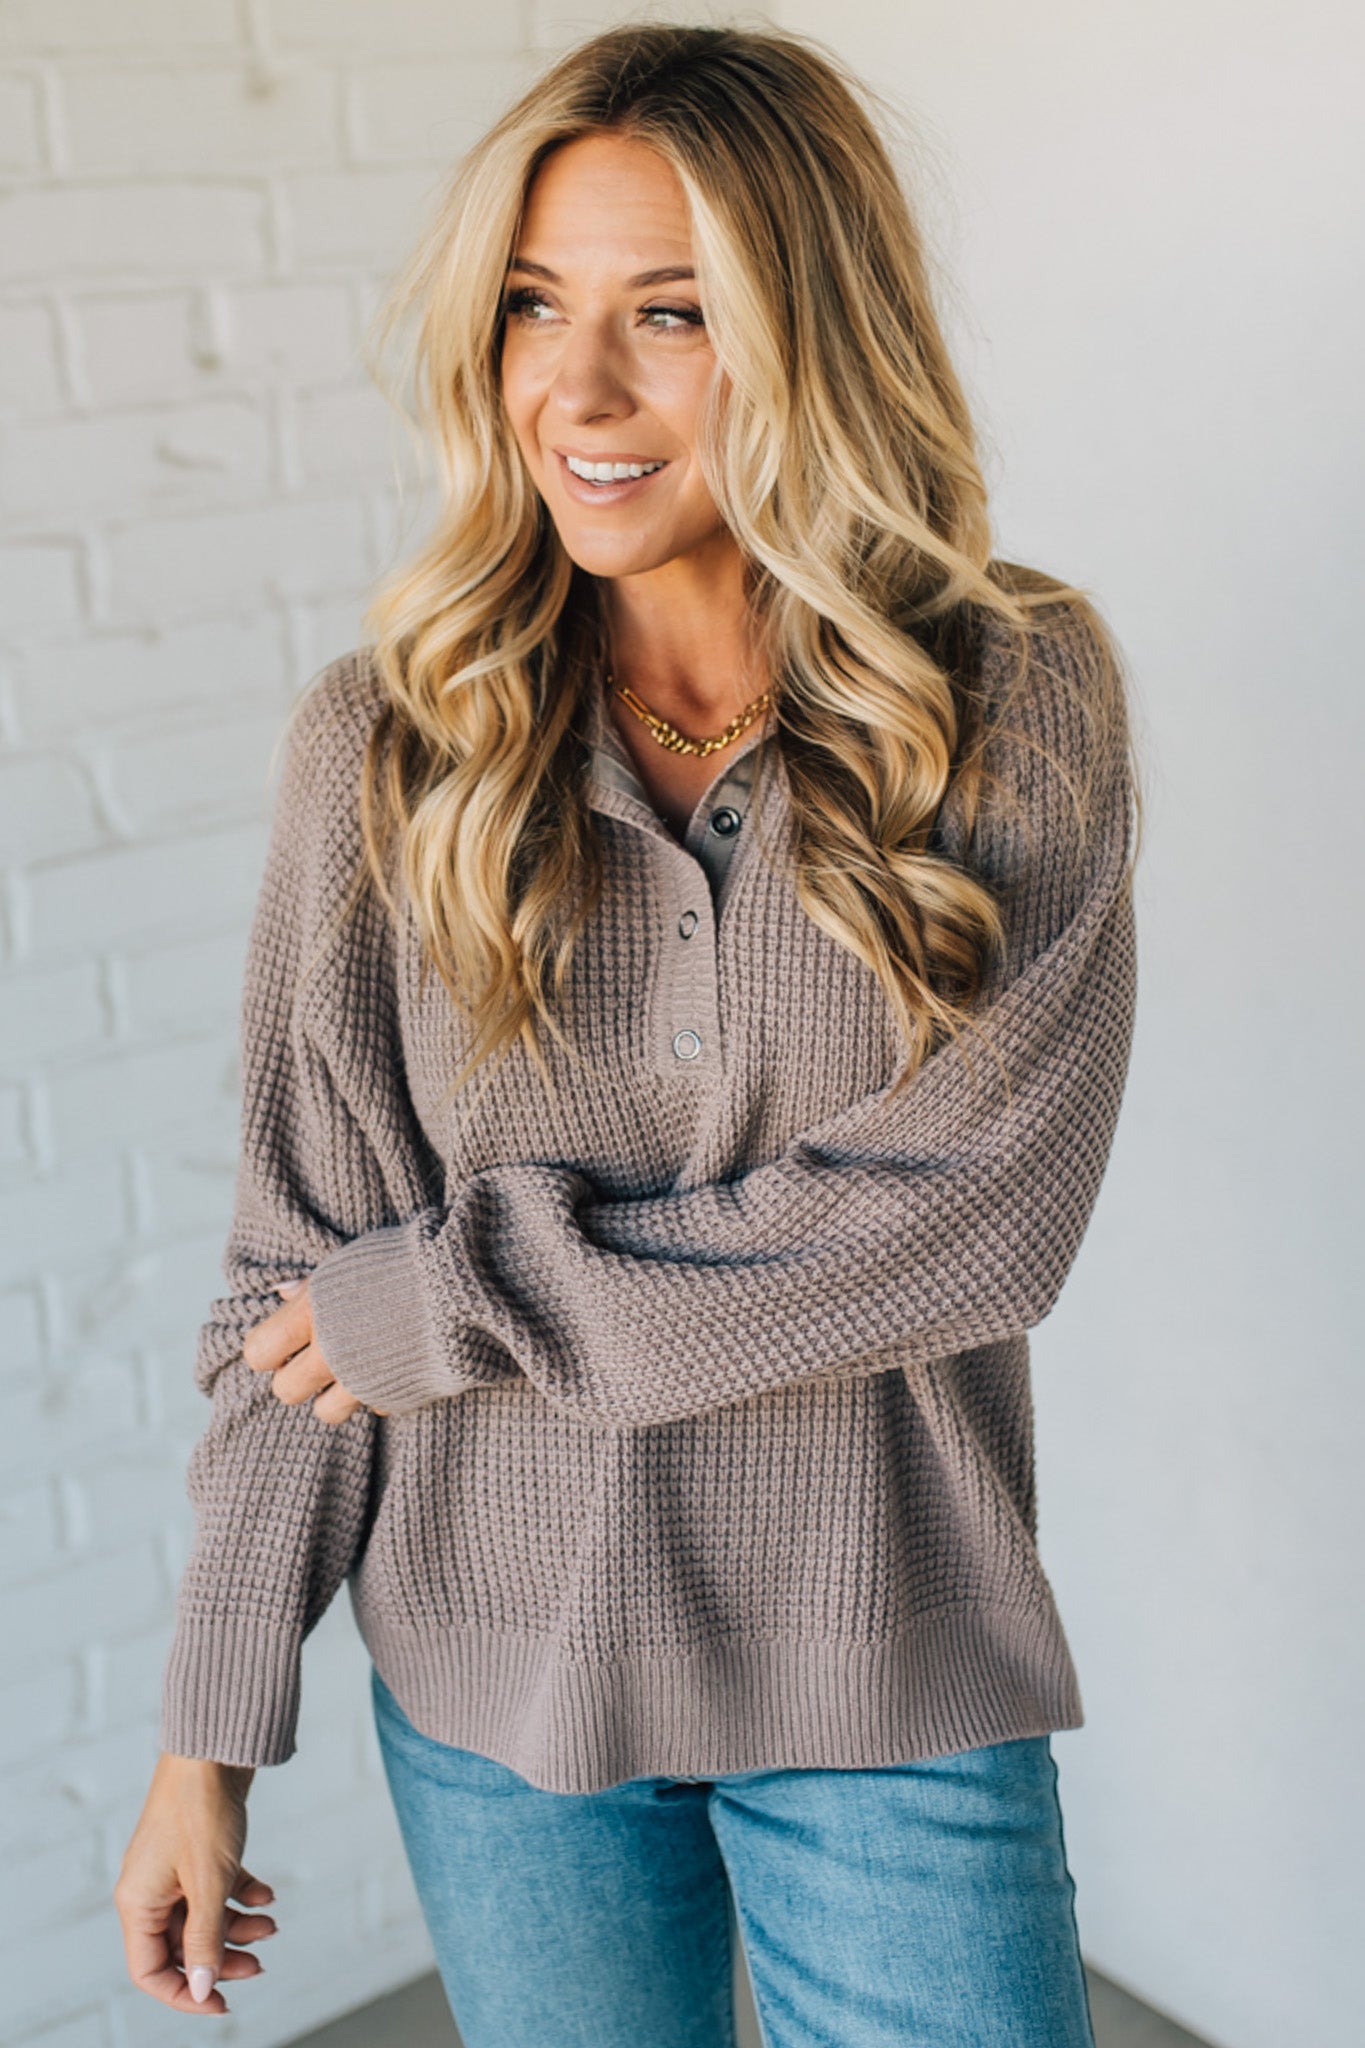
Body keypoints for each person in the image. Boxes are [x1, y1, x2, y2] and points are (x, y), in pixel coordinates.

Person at [114, 22, 1142, 2046]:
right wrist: (207, 1731)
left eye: (666, 315)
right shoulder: (383, 747)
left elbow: (958, 1231)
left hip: (882, 1668)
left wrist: (454, 1294)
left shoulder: (1016, 698)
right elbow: (296, 1281)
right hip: (496, 1693)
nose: (571, 392)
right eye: (528, 307)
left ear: (811, 333)